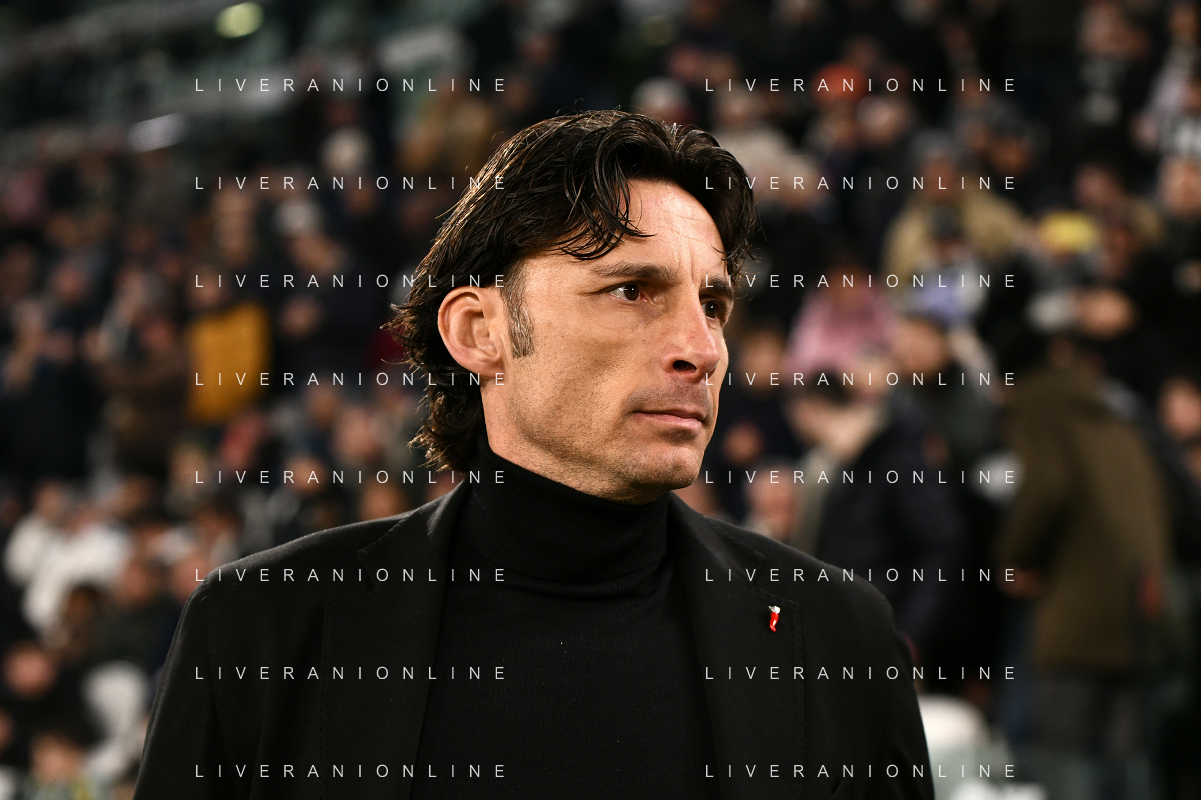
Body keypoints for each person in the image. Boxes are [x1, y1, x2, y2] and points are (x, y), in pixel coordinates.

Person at [133, 111, 933, 800]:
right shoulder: (260, 632)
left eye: (713, 304)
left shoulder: (837, 641)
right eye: (631, 291)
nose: (700, 349)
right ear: (479, 332)